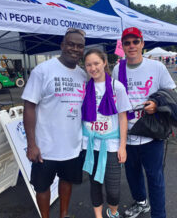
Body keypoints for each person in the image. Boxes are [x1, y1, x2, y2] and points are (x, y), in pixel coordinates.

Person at [22, 28, 87, 218]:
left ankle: (64, 215)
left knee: (67, 181)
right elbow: (29, 107)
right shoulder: (43, 70)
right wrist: (31, 144)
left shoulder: (83, 75)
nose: (75, 49)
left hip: (73, 145)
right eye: (71, 44)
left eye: (79, 46)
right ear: (62, 46)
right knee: (42, 186)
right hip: (45, 147)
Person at [112, 27, 176, 218]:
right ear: (122, 46)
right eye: (127, 42)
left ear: (142, 44)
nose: (131, 46)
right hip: (127, 134)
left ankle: (158, 214)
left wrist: (156, 104)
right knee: (132, 175)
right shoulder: (118, 68)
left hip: (151, 133)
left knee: (155, 178)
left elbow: (170, 93)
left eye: (135, 42)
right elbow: (115, 96)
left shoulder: (157, 67)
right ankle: (141, 202)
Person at [81, 49, 131, 218]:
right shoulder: (84, 88)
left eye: (96, 63)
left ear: (104, 63)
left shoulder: (117, 87)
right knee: (94, 184)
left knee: (113, 189)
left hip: (111, 145)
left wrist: (122, 146)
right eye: (89, 64)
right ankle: (98, 216)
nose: (93, 68)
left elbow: (123, 118)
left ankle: (113, 212)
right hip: (90, 145)